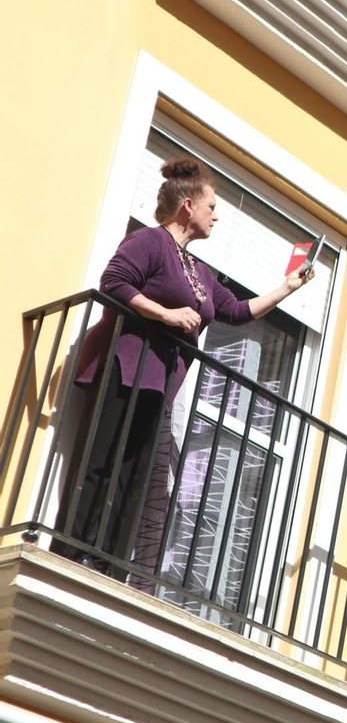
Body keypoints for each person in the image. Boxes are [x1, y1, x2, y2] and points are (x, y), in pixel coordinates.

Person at [59, 157, 314, 574]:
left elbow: (233, 311)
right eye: (212, 206)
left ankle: (105, 557)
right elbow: (114, 281)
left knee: (133, 472)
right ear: (188, 207)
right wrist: (166, 314)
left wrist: (287, 287)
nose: (217, 216)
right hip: (126, 367)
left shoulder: (200, 269)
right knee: (102, 460)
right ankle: (72, 547)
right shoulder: (150, 242)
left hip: (161, 383)